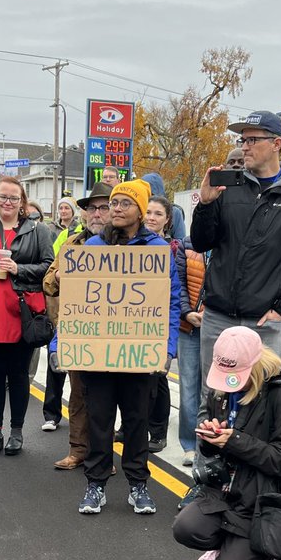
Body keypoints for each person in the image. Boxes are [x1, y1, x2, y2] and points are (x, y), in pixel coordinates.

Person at [60, 179, 180, 515]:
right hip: (98, 355)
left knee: (136, 422)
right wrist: (62, 343)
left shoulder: (158, 250)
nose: (116, 208)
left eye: (125, 203)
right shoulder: (92, 248)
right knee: (98, 421)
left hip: (139, 355)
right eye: (114, 203)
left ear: (140, 211)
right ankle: (95, 484)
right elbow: (74, 302)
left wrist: (167, 348)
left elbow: (171, 302)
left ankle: (138, 485)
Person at [191, 110, 281, 412]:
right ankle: (207, 460)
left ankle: (253, 459)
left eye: (252, 139)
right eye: (242, 139)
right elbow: (201, 242)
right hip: (219, 316)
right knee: (212, 395)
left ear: (277, 143)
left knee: (263, 398)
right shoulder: (230, 185)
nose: (245, 146)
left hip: (264, 319)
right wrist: (206, 205)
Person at [173, 327, 281, 560]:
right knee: (185, 527)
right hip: (226, 492)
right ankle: (227, 547)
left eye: (237, 375)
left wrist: (234, 441)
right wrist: (211, 437)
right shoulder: (220, 392)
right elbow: (216, 447)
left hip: (263, 501)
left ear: (256, 364)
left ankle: (272, 550)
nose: (229, 382)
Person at [0, 177, 54, 455]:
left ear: (22, 203)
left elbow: (48, 267)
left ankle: (16, 432)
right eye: (2, 197)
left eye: (13, 198)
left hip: (21, 309)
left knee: (18, 374)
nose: (7, 202)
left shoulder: (37, 230)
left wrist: (19, 269)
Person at [44, 183, 112, 470]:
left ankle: (102, 455)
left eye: (103, 207)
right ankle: (78, 450)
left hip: (115, 333)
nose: (96, 213)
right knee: (79, 394)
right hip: (79, 331)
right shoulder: (71, 244)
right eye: (91, 208)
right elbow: (47, 284)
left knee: (108, 398)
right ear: (84, 213)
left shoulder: (126, 246)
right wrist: (60, 274)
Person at [143, 194, 176, 452]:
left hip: (158, 321)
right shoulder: (132, 244)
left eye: (158, 214)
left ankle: (158, 431)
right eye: (149, 212)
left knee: (158, 381)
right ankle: (130, 427)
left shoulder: (170, 248)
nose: (151, 217)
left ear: (167, 220)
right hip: (135, 322)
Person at [175, 226, 207, 466]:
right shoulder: (187, 245)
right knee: (188, 389)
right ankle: (189, 444)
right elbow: (179, 283)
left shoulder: (235, 240)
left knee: (214, 390)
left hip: (219, 326)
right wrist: (187, 312)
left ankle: (209, 444)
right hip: (190, 327)